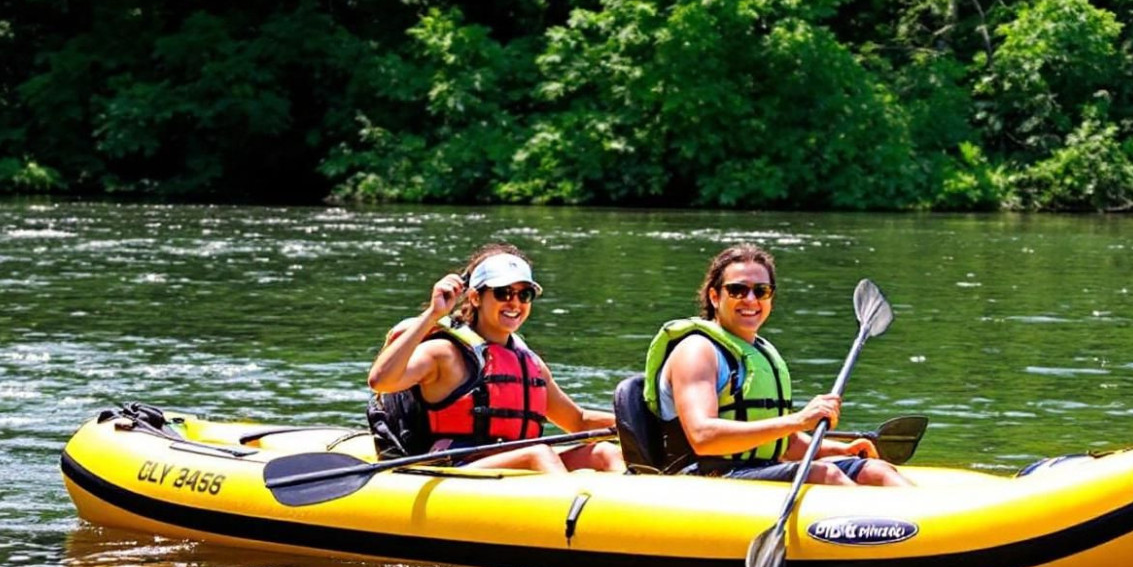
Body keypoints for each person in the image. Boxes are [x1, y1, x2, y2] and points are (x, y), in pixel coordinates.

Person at [643, 243, 911, 486]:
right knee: (826, 475)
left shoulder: (761, 352)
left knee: (877, 471)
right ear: (714, 297)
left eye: (761, 290)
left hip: (758, 470)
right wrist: (797, 420)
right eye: (737, 290)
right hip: (704, 478)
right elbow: (703, 437)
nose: (750, 299)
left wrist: (840, 450)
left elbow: (782, 443)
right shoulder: (696, 351)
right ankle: (884, 537)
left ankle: (933, 535)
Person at [367, 243, 625, 473]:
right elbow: (381, 381)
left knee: (605, 452)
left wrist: (640, 424)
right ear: (476, 297)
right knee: (538, 453)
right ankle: (574, 525)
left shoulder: (530, 363)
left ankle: (630, 522)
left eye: (524, 295)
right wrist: (433, 315)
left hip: (515, 465)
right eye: (503, 293)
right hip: (456, 468)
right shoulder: (445, 353)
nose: (515, 303)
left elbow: (576, 421)